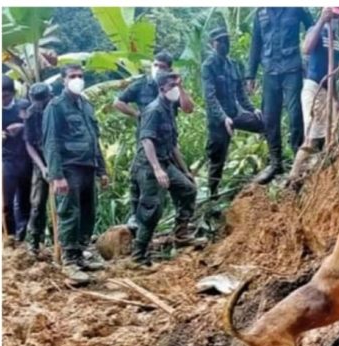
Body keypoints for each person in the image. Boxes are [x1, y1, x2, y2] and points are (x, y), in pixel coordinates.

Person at [43, 64, 110, 285]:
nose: (77, 79)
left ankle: (80, 254)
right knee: (69, 212)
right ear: (63, 80)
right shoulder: (56, 107)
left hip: (87, 166)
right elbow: (51, 143)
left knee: (87, 211)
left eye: (80, 76)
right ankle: (69, 261)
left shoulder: (86, 105)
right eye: (72, 76)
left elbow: (94, 139)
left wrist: (102, 170)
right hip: (69, 167)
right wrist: (57, 175)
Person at [114, 51, 194, 230]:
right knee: (140, 177)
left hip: (168, 142)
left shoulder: (170, 87)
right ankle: (135, 217)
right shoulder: (141, 84)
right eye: (156, 65)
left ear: (169, 69)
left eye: (162, 67)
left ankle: (180, 226)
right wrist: (137, 114)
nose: (157, 69)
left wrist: (180, 87)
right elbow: (118, 102)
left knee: (180, 183)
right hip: (146, 140)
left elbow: (188, 108)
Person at [131, 72, 196, 267]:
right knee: (152, 209)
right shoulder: (154, 110)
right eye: (172, 86)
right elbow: (146, 140)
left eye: (177, 85)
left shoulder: (168, 108)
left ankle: (181, 234)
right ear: (161, 89)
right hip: (150, 166)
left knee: (188, 189)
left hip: (167, 162)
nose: (175, 89)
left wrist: (185, 171)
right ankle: (139, 255)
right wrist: (157, 170)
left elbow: (173, 145)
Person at [247, 7, 314, 184]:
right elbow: (256, 43)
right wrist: (250, 75)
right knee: (269, 118)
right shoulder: (260, 12)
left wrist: (311, 61)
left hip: (292, 69)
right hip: (270, 71)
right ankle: (276, 163)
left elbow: (313, 28)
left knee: (295, 116)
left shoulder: (296, 8)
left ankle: (299, 162)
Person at [202, 26, 264, 199]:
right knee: (217, 159)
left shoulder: (233, 65)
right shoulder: (208, 66)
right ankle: (212, 196)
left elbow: (240, 93)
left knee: (264, 123)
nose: (224, 44)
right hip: (218, 121)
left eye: (226, 41)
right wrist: (223, 118)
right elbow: (210, 97)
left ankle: (273, 163)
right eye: (220, 41)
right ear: (212, 44)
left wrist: (253, 109)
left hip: (235, 114)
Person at [288, 7, 339, 184]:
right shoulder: (316, 30)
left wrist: (336, 100)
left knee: (333, 137)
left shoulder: (336, 39)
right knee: (312, 139)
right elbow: (306, 48)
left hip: (328, 92)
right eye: (333, 14)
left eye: (338, 15)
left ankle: (322, 179)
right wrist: (320, 21)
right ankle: (293, 179)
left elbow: (332, 74)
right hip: (314, 89)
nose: (336, 17)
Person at [2, 75, 33, 244]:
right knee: (5, 201)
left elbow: (36, 125)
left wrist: (21, 127)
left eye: (5, 97)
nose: (2, 101)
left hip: (26, 158)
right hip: (5, 160)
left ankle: (22, 236)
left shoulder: (23, 106)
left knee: (25, 200)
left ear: (13, 93)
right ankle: (8, 236)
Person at [24, 82, 54, 255]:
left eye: (42, 101)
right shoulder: (30, 114)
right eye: (35, 101)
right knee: (37, 202)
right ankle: (35, 242)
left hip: (62, 161)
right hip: (40, 162)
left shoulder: (58, 109)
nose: (39, 105)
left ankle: (66, 244)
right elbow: (29, 144)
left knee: (63, 204)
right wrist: (42, 167)